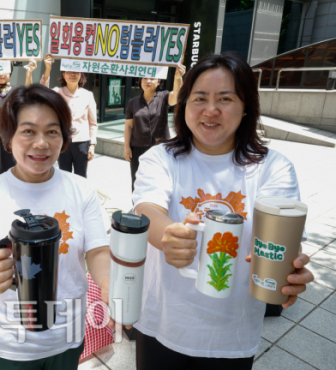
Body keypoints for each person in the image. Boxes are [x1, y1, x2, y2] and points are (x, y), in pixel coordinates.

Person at [132, 52, 314, 370]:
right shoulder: (160, 157)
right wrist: (168, 235)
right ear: (184, 104)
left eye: (226, 98)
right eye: (199, 98)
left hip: (232, 336)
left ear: (246, 108)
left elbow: (279, 234)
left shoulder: (274, 168)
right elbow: (147, 209)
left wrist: (288, 265)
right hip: (162, 324)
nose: (211, 110)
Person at [0, 84, 112, 370]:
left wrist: (110, 284)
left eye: (52, 131)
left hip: (67, 337)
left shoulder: (82, 191)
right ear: (8, 138)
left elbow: (97, 250)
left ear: (64, 139)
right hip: (9, 345)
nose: (41, 143)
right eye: (28, 131)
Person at [28, 53, 98, 178]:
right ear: (63, 75)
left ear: (81, 75)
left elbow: (93, 123)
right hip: (63, 141)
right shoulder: (57, 92)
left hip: (82, 142)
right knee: (63, 175)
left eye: (76, 72)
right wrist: (48, 67)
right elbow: (43, 91)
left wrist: (92, 144)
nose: (72, 74)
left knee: (81, 176)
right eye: (69, 71)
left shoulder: (88, 95)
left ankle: (80, 198)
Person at [124, 64, 185, 192]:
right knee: (137, 180)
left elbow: (177, 96)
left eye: (152, 78)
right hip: (137, 148)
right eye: (144, 78)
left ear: (158, 82)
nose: (148, 81)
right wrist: (126, 147)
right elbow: (129, 126)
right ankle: (137, 209)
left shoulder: (163, 97)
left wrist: (178, 78)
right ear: (140, 81)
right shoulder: (133, 102)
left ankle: (155, 209)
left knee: (158, 181)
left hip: (160, 148)